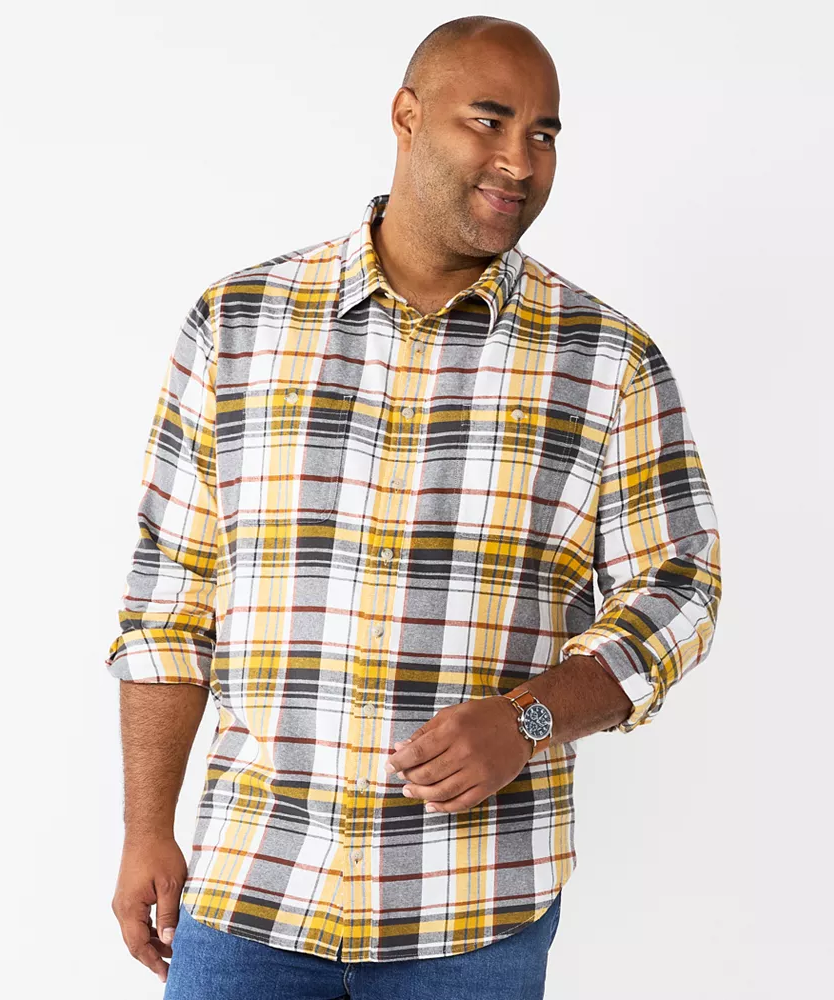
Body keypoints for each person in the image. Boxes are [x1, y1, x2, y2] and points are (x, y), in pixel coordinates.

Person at [105, 15, 722, 1000]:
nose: (520, 159)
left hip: (473, 911)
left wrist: (528, 717)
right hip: (253, 883)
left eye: (544, 133)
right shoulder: (240, 324)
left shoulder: (607, 361)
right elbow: (171, 594)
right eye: (490, 119)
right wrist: (146, 828)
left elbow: (678, 588)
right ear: (406, 115)